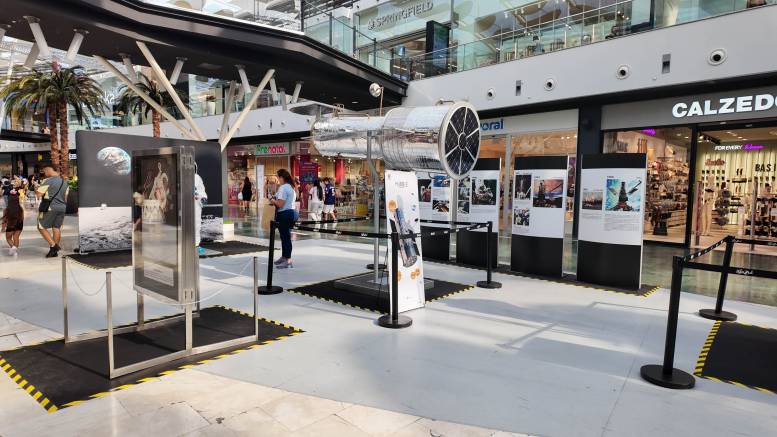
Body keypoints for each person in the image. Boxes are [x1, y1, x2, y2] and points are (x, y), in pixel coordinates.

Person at [36, 165, 69, 258]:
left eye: (45, 170)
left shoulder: (47, 180)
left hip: (50, 207)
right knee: (56, 227)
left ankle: (53, 246)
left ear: (49, 169)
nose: (44, 172)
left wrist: (36, 188)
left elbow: (39, 195)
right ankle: (53, 252)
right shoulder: (64, 182)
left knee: (41, 226)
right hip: (62, 207)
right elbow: (66, 198)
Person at [269, 169, 297, 269]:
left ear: (281, 177)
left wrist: (272, 200)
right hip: (290, 213)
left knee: (285, 238)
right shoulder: (290, 187)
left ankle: (288, 260)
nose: (277, 179)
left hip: (284, 214)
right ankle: (284, 257)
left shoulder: (283, 187)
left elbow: (280, 204)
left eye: (277, 177)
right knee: (285, 237)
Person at [1, 181, 24, 256]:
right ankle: (15, 249)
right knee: (16, 237)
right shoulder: (20, 209)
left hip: (11, 225)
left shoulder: (7, 210)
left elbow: (4, 220)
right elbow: (22, 217)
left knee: (8, 238)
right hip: (19, 224)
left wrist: (3, 228)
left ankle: (13, 248)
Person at [194, 166, 208, 255]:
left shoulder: (197, 178)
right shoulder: (181, 176)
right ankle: (185, 244)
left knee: (196, 224)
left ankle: (196, 245)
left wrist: (202, 197)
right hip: (184, 205)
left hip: (195, 205)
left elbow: (201, 190)